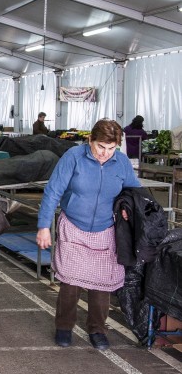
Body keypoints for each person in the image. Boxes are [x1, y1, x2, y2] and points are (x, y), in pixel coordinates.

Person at [36, 119, 140, 350]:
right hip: (73, 225)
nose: (105, 153)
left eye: (111, 148)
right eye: (101, 147)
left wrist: (127, 210)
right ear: (90, 140)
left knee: (101, 284)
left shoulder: (121, 162)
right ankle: (64, 327)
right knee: (70, 283)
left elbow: (134, 192)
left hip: (105, 228)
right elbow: (53, 191)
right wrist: (44, 226)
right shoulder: (73, 157)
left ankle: (97, 330)